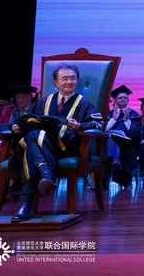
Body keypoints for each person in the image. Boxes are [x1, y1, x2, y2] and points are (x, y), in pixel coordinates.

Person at [8, 64, 100, 222]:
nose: (69, 82)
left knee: (33, 139)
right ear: (56, 83)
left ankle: (28, 202)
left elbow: (99, 124)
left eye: (73, 78)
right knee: (35, 135)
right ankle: (44, 173)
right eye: (65, 78)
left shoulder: (84, 103)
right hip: (42, 146)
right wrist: (19, 128)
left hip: (66, 148)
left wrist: (80, 126)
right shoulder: (43, 102)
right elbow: (28, 122)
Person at [0, 85, 37, 187]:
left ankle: (7, 183)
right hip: (8, 142)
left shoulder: (37, 109)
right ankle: (2, 182)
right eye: (17, 97)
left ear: (31, 96)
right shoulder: (7, 110)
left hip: (28, 144)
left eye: (23, 97)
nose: (20, 100)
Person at [104, 84, 142, 188]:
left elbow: (137, 135)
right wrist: (114, 119)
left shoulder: (134, 115)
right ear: (115, 100)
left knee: (119, 147)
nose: (123, 99)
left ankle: (115, 161)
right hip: (109, 144)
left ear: (128, 101)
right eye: (120, 98)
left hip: (128, 145)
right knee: (108, 141)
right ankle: (114, 162)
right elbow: (103, 131)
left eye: (125, 98)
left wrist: (126, 120)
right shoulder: (108, 114)